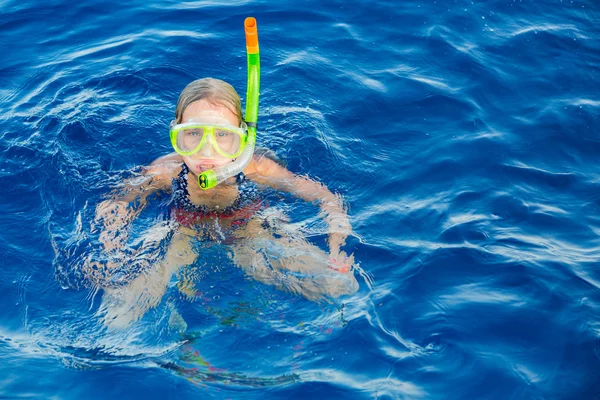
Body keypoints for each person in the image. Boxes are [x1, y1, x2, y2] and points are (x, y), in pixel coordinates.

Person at [90, 78, 359, 328]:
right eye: (193, 134)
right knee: (119, 315)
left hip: (249, 226)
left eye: (222, 136)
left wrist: (336, 242)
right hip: (183, 229)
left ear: (241, 139)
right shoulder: (167, 170)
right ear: (176, 134)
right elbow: (117, 204)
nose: (207, 150)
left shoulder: (256, 168)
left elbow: (324, 197)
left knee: (339, 285)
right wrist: (112, 249)